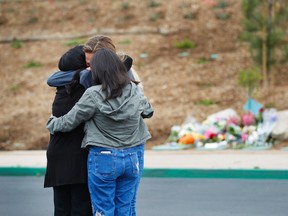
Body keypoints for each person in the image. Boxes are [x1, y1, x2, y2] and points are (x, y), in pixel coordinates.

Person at [46, 48, 154, 216]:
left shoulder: (93, 94)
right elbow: (148, 112)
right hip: (132, 157)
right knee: (125, 208)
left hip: (103, 156)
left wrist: (52, 122)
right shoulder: (133, 90)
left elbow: (68, 122)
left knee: (103, 209)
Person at [44, 45, 93, 216]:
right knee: (81, 207)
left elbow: (51, 78)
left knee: (62, 208)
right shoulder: (86, 87)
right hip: (77, 152)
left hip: (57, 151)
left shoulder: (62, 89)